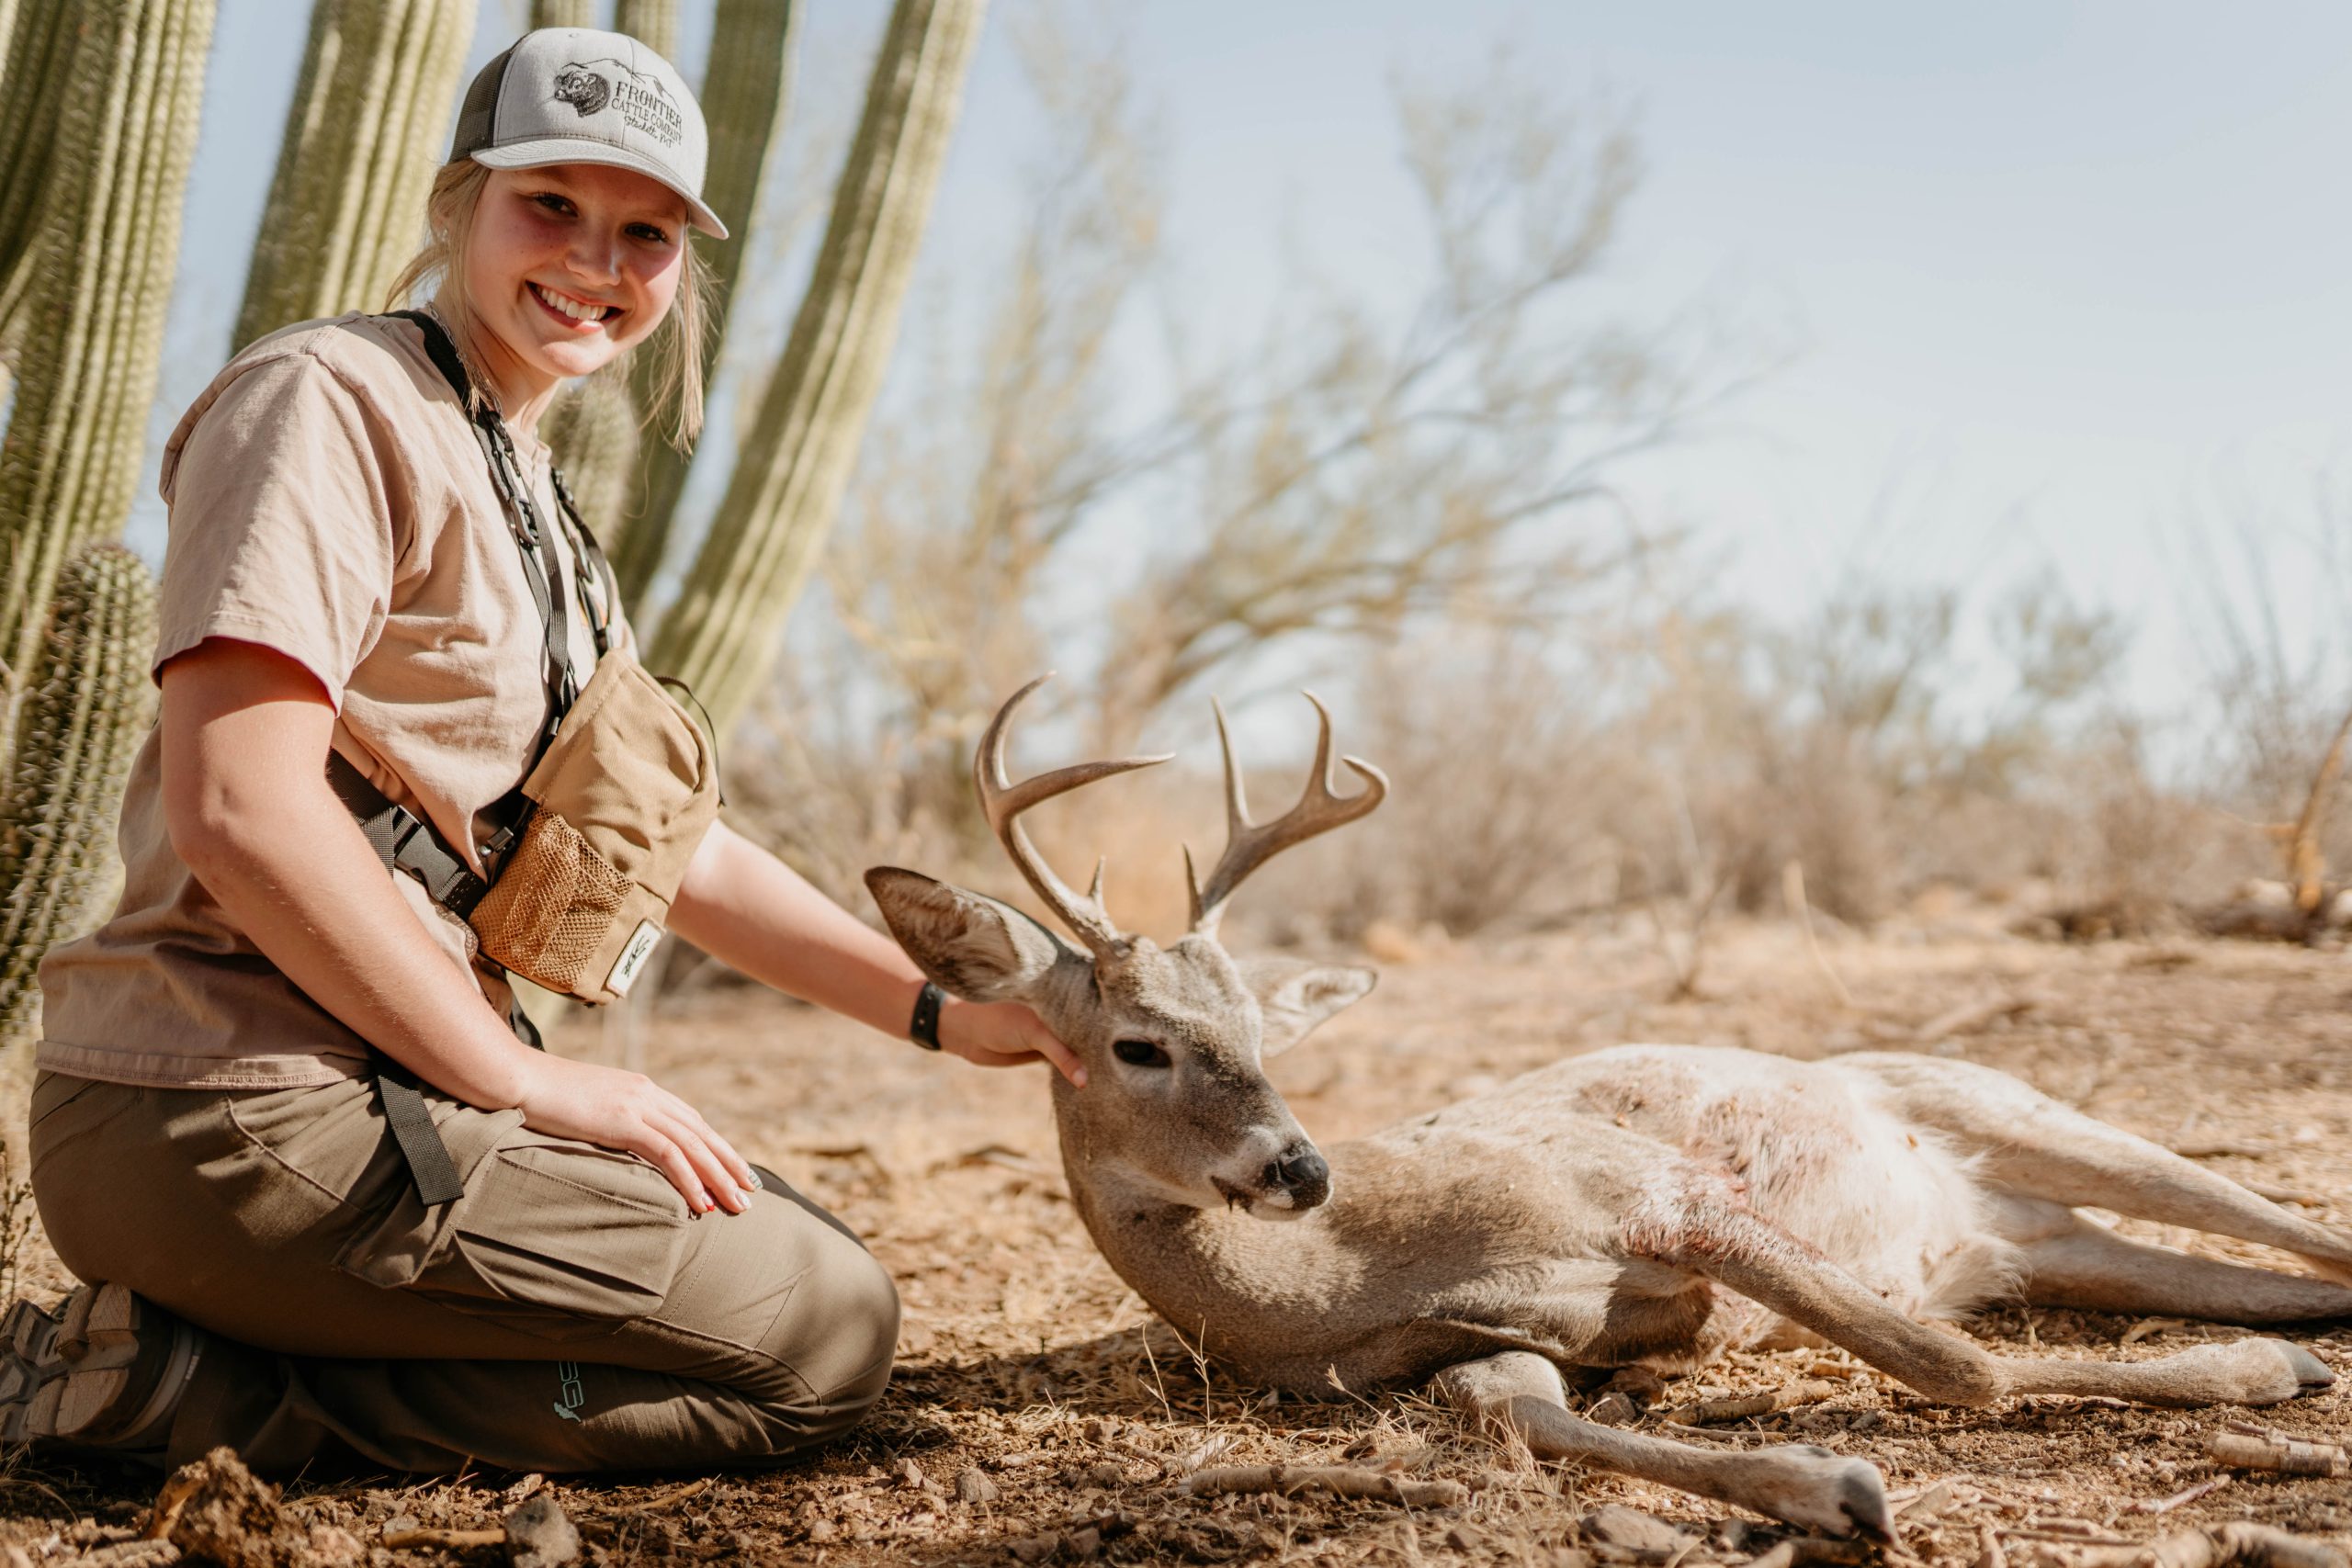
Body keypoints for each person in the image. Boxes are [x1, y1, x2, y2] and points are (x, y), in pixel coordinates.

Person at [1, 27, 1080, 1476]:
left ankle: (204, 1363)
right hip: (225, 1106)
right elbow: (238, 810)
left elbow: (658, 849)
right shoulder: (328, 402)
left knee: (802, 1274)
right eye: (550, 205)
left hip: (383, 1097)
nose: (596, 260)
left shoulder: (528, 489)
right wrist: (525, 1084)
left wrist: (947, 1016)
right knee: (824, 1337)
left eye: (645, 233)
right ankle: (183, 1401)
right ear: (456, 202)